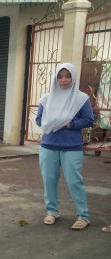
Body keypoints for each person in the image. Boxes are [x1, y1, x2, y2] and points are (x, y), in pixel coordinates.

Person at [35, 63, 94, 230]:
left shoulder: (81, 98)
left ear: (73, 78)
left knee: (75, 181)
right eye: (60, 76)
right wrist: (52, 122)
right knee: (49, 180)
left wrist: (70, 124)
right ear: (55, 78)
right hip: (48, 145)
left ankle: (83, 216)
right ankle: (52, 211)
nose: (63, 80)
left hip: (71, 147)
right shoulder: (47, 98)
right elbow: (39, 119)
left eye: (67, 76)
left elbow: (89, 119)